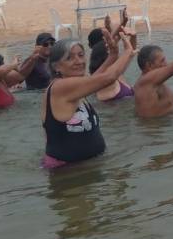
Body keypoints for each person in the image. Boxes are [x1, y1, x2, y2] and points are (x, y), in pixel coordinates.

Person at [42, 29, 136, 167]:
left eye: (81, 55)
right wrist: (128, 51)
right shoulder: (60, 87)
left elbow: (97, 78)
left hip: (86, 168)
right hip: (66, 172)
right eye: (69, 58)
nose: (78, 61)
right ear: (56, 66)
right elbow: (108, 78)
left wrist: (113, 55)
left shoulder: (77, 86)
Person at [133, 45, 173, 118]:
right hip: (156, 127)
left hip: (169, 120)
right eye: (162, 61)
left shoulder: (156, 82)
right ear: (149, 65)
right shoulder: (145, 82)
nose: (166, 64)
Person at [88, 26, 138, 101]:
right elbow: (128, 53)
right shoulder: (103, 81)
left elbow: (129, 54)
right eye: (113, 52)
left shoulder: (116, 72)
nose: (117, 54)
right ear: (106, 57)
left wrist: (134, 36)